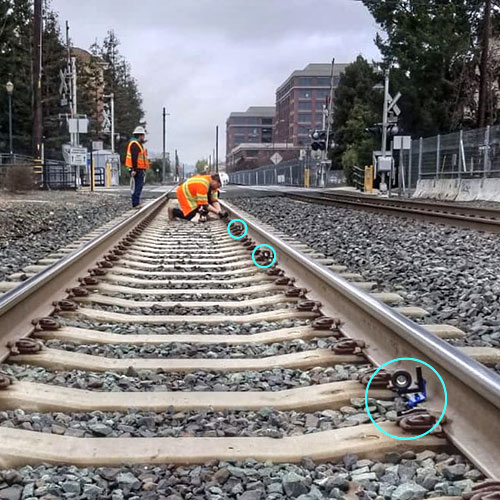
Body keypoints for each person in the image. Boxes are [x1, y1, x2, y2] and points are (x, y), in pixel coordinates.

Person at [125, 126, 150, 208]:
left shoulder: (137, 144)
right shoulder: (135, 145)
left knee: (137, 186)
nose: (144, 137)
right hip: (136, 169)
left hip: (138, 169)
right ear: (140, 136)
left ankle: (136, 202)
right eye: (143, 135)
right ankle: (135, 203)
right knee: (137, 187)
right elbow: (134, 158)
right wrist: (134, 170)